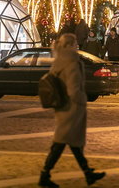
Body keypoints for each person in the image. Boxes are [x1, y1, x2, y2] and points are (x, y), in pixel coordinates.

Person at [39, 33, 105, 187]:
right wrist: (83, 100)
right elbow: (73, 90)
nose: (77, 45)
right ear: (69, 45)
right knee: (61, 143)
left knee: (72, 143)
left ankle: (88, 173)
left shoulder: (59, 61)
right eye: (75, 43)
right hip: (72, 108)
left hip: (63, 108)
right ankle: (44, 175)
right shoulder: (72, 63)